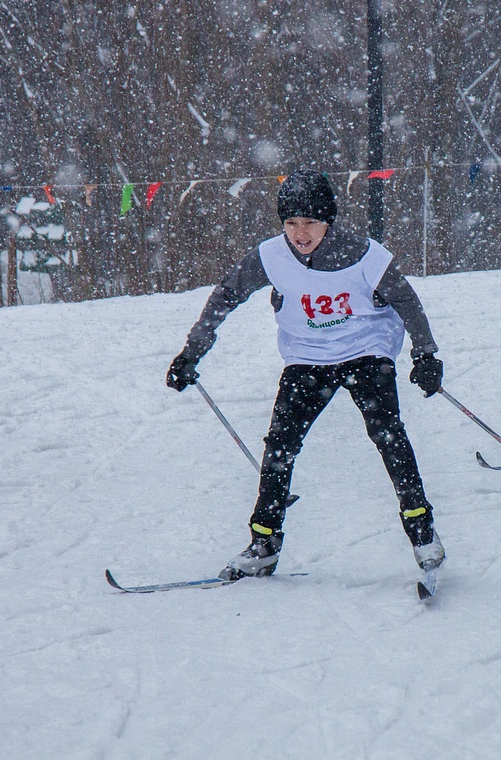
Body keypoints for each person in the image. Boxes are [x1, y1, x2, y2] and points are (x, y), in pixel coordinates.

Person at [166, 169, 445, 581]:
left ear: (328, 220)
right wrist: (192, 353)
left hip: (365, 350)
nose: (300, 233)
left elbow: (406, 299)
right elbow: (226, 295)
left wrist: (425, 354)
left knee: (388, 436)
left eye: (310, 222)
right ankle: (264, 542)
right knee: (280, 443)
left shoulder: (364, 255)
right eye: (291, 223)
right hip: (307, 358)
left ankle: (424, 535)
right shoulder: (270, 256)